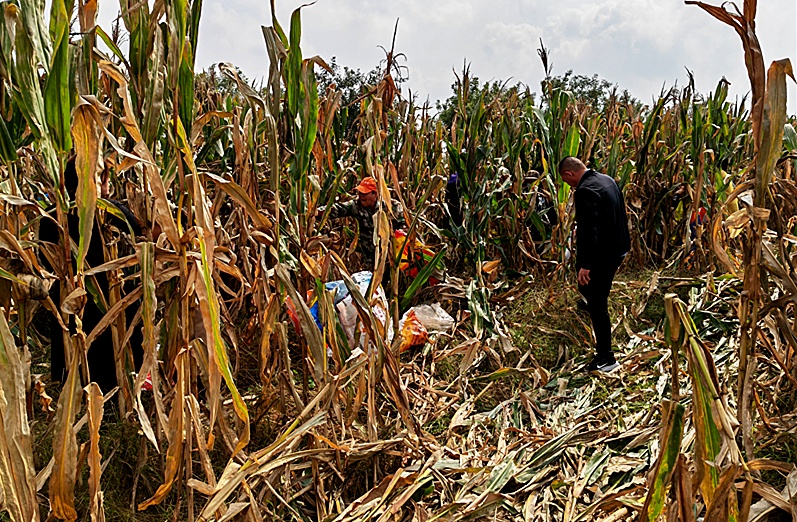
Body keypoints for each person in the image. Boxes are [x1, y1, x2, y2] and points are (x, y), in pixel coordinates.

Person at [558, 157, 630, 373]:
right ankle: (587, 305)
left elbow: (590, 232)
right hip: (619, 247)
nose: (569, 186)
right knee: (591, 293)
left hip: (602, 254)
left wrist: (586, 265)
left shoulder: (585, 190)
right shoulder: (607, 179)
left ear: (570, 174)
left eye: (566, 180)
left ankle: (607, 358)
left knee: (598, 303)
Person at [324, 176, 403, 268]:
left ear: (375, 194)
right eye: (360, 192)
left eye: (364, 193)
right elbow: (337, 209)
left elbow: (405, 227)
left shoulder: (393, 207)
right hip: (369, 258)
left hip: (391, 256)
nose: (361, 196)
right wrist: (315, 212)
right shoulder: (356, 206)